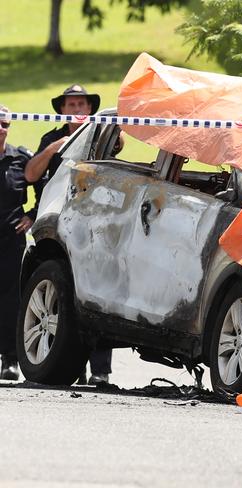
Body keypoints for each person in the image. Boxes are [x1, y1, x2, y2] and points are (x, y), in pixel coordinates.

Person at [25, 84, 113, 386]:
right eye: (71, 105)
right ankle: (67, 366)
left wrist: (94, 130)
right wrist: (54, 148)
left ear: (90, 109)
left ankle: (100, 371)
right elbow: (30, 175)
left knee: (97, 292)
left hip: (93, 227)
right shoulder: (50, 138)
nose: (77, 110)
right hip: (56, 230)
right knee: (60, 294)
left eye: (82, 105)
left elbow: (122, 142)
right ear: (62, 110)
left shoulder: (100, 136)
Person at [0, 104, 43, 380]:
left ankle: (9, 360)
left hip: (9, 239)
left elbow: (46, 185)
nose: (1, 130)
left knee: (10, 300)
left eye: (5, 125)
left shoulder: (20, 158)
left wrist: (32, 215)